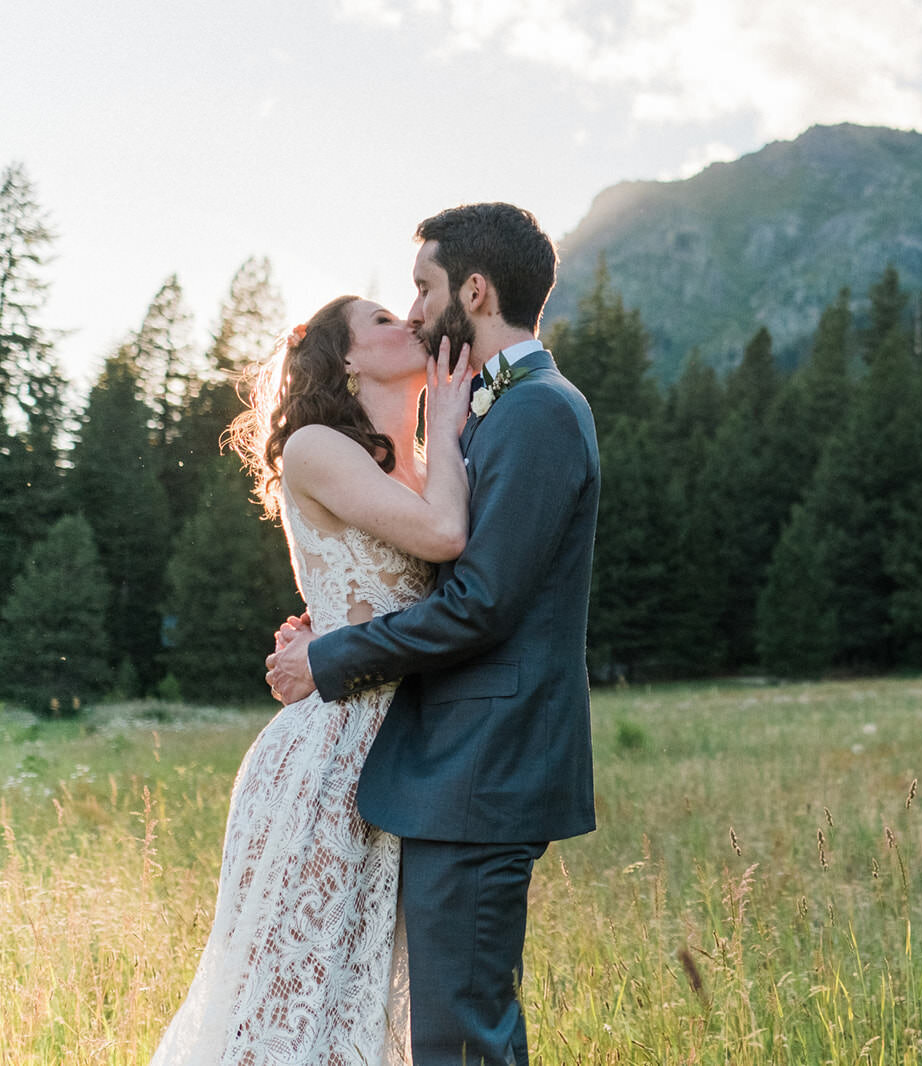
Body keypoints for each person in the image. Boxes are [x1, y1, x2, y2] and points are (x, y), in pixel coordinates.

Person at [266, 202, 601, 1066]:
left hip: (485, 769)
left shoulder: (536, 413)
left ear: (475, 291)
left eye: (422, 288)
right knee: (438, 1031)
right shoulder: (493, 413)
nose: (414, 311)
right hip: (446, 766)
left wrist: (328, 656)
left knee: (461, 1041)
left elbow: (480, 604)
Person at [149, 294, 478, 1064]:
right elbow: (445, 535)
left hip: (406, 749)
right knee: (290, 992)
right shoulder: (317, 446)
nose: (409, 323)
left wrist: (316, 632)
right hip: (329, 754)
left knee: (364, 998)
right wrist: (455, 425)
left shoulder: (430, 465)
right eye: (383, 321)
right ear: (349, 357)